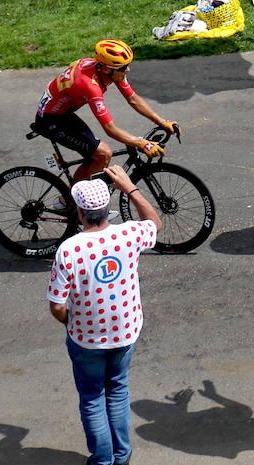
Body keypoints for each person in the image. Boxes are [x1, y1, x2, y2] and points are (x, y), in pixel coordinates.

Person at [47, 164, 164, 465]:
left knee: (92, 398)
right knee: (117, 390)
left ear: (80, 212)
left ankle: (102, 459)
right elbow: (155, 223)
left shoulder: (69, 250)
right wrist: (130, 187)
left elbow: (57, 305)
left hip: (87, 339)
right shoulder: (129, 234)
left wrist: (70, 322)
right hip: (125, 333)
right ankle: (121, 455)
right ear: (107, 208)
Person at [32, 39, 177, 182]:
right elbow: (109, 128)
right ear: (106, 69)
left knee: (94, 156)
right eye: (122, 68)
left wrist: (161, 121)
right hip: (50, 119)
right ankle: (72, 199)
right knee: (103, 154)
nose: (127, 70)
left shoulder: (106, 69)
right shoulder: (90, 86)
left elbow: (132, 98)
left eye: (126, 65)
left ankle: (78, 192)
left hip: (62, 112)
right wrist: (142, 143)